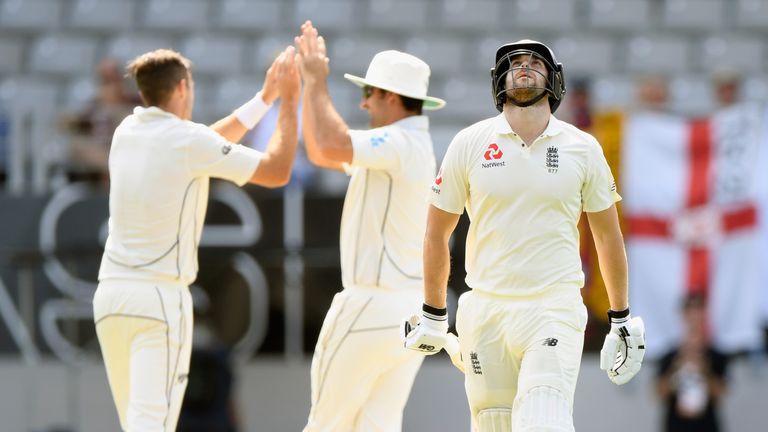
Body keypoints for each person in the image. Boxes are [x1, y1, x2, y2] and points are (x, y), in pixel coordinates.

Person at [402, 40, 646, 431]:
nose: (525, 68)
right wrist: (433, 314)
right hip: (485, 312)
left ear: (554, 80)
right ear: (500, 80)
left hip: (553, 308)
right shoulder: (469, 143)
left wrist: (620, 318)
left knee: (542, 420)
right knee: (495, 424)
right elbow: (435, 233)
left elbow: (608, 236)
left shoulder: (583, 147)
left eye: (536, 62)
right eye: (515, 63)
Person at [92, 47, 300, 431]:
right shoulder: (186, 142)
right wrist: (287, 102)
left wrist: (264, 99)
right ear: (184, 87)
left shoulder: (128, 132)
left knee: (138, 424)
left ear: (144, 92)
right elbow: (276, 171)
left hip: (111, 299)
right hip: (158, 301)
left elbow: (205, 143)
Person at [294, 21, 446, 431]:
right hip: (409, 311)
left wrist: (315, 80)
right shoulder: (407, 144)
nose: (363, 104)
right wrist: (310, 89)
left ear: (391, 97)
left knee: (324, 426)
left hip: (372, 304)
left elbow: (327, 144)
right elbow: (322, 150)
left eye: (369, 93)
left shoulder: (397, 144)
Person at [60, 58, 141, 184]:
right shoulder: (95, 106)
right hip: (102, 155)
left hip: (127, 154)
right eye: (104, 81)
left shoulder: (135, 103)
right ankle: (111, 174)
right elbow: (73, 123)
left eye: (112, 80)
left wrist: (115, 108)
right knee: (77, 146)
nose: (109, 87)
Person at [656, 293, 728, 432]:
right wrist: (677, 368)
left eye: (698, 312)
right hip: (676, 425)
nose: (694, 318)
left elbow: (720, 393)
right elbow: (659, 393)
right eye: (690, 312)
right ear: (683, 315)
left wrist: (704, 370)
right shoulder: (670, 355)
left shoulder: (715, 355)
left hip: (707, 425)